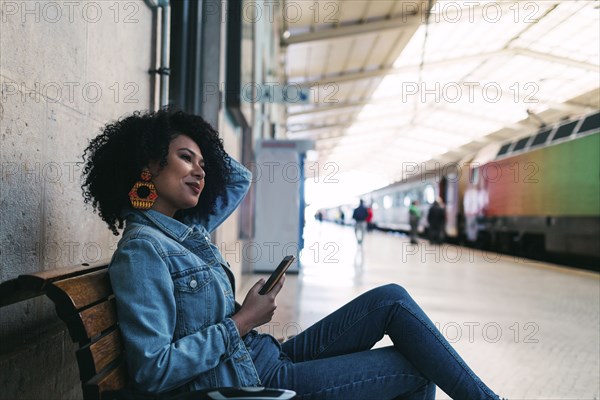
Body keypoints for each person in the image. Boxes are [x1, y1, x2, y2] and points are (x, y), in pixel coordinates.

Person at [81, 109, 502, 400]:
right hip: (250, 381)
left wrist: (182, 132)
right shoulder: (143, 251)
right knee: (413, 366)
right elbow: (153, 370)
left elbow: (236, 178)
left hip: (262, 355)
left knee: (390, 299)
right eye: (185, 158)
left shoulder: (185, 232)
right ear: (148, 165)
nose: (201, 170)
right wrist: (242, 320)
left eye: (203, 162)